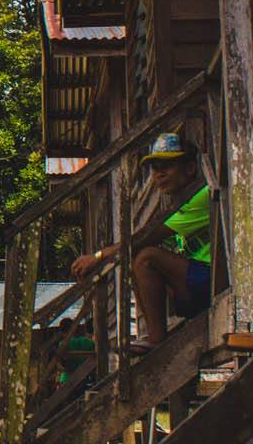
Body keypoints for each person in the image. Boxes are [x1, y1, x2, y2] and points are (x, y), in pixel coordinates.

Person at [69, 132, 211, 347]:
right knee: (137, 258)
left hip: (210, 279)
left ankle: (156, 337)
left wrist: (99, 256)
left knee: (146, 257)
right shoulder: (175, 203)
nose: (159, 174)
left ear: (190, 168)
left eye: (167, 166)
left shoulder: (202, 195)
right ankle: (153, 334)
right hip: (191, 285)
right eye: (155, 168)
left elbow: (148, 237)